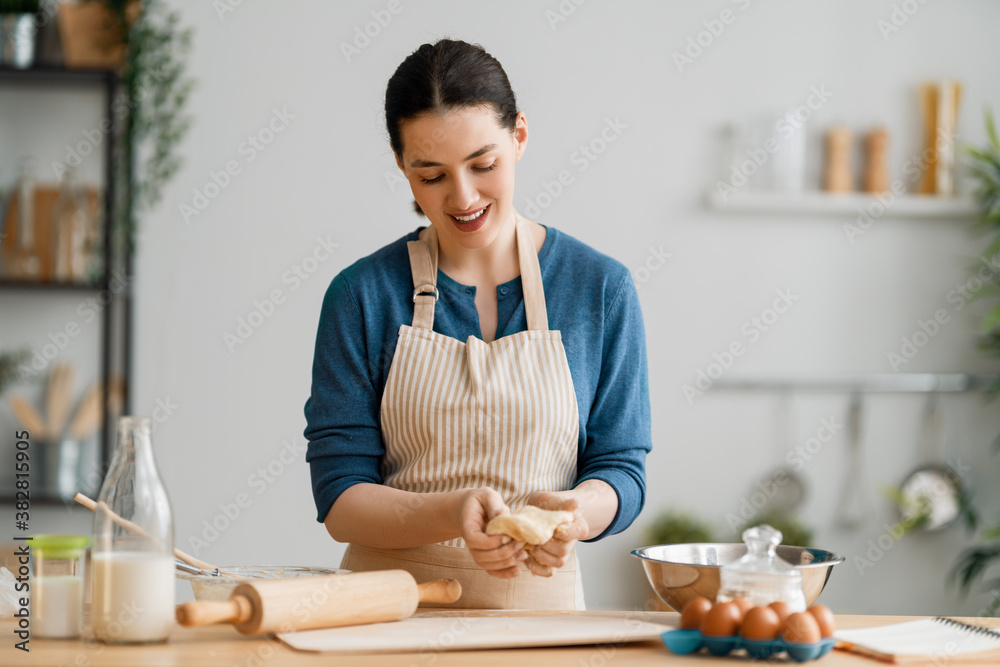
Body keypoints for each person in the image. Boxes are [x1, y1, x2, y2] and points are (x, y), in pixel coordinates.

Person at [304, 39, 651, 610]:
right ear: (401, 164)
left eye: (483, 164)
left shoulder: (600, 289)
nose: (462, 197)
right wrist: (450, 512)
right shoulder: (361, 295)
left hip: (539, 624)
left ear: (519, 137)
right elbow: (340, 498)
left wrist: (575, 515)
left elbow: (622, 469)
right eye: (431, 175)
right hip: (387, 619)